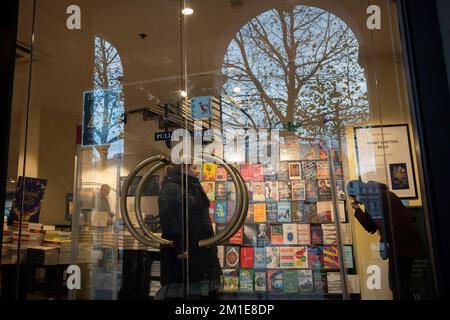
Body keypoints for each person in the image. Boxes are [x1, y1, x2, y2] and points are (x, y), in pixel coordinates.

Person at [347, 180, 426, 300]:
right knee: (403, 284)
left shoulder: (372, 197)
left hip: (399, 244)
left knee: (397, 285)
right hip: (408, 241)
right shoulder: (385, 193)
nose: (357, 200)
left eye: (353, 197)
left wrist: (356, 208)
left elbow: (370, 227)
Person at [155, 164, 222, 300]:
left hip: (199, 253)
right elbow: (170, 223)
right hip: (188, 256)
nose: (198, 171)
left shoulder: (191, 187)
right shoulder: (172, 189)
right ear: (184, 168)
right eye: (194, 167)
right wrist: (180, 248)